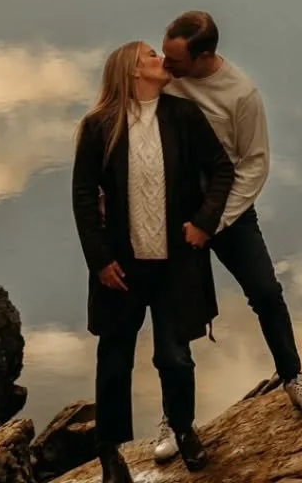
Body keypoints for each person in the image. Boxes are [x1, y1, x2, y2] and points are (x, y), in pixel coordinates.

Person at [159, 8, 302, 462]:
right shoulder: (164, 79)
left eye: (174, 60)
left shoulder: (241, 94)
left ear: (205, 55)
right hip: (174, 214)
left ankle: (293, 377)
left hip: (228, 212)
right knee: (174, 314)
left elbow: (254, 163)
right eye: (164, 55)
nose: (165, 66)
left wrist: (214, 222)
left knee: (266, 292)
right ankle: (174, 420)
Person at [72, 41, 236, 480]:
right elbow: (84, 198)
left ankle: (184, 430)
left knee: (175, 357)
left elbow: (223, 169)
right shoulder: (98, 126)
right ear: (131, 72)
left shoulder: (183, 117)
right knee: (113, 362)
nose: (161, 61)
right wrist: (100, 261)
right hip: (120, 270)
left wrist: (204, 223)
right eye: (150, 56)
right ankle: (110, 456)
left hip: (174, 265)